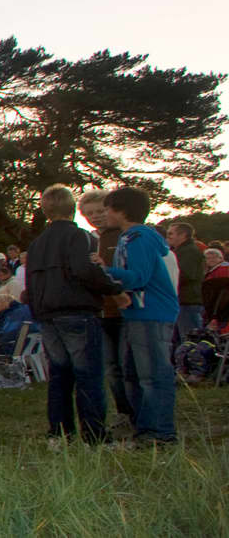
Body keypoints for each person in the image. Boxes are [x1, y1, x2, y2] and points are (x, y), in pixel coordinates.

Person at [103, 187, 179, 445]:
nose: (105, 214)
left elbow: (139, 277)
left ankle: (160, 432)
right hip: (137, 313)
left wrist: (104, 271)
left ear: (121, 211)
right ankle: (143, 426)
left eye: (107, 209)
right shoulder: (128, 238)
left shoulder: (140, 238)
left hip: (151, 312)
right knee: (133, 375)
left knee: (153, 375)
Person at [80, 188, 133, 424]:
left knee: (127, 364)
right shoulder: (88, 240)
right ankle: (123, 411)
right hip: (99, 312)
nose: (96, 216)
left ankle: (137, 411)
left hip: (123, 309)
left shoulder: (123, 237)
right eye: (90, 213)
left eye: (100, 211)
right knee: (111, 367)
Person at [168, 222, 205, 337]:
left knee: (190, 339)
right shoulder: (181, 251)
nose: (168, 237)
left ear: (183, 235)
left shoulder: (189, 251)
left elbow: (185, 274)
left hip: (188, 301)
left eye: (171, 233)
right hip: (183, 300)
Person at [202, 248, 229, 324]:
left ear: (221, 258)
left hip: (221, 311)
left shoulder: (223, 270)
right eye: (208, 258)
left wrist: (214, 315)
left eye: (214, 257)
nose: (211, 260)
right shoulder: (214, 270)